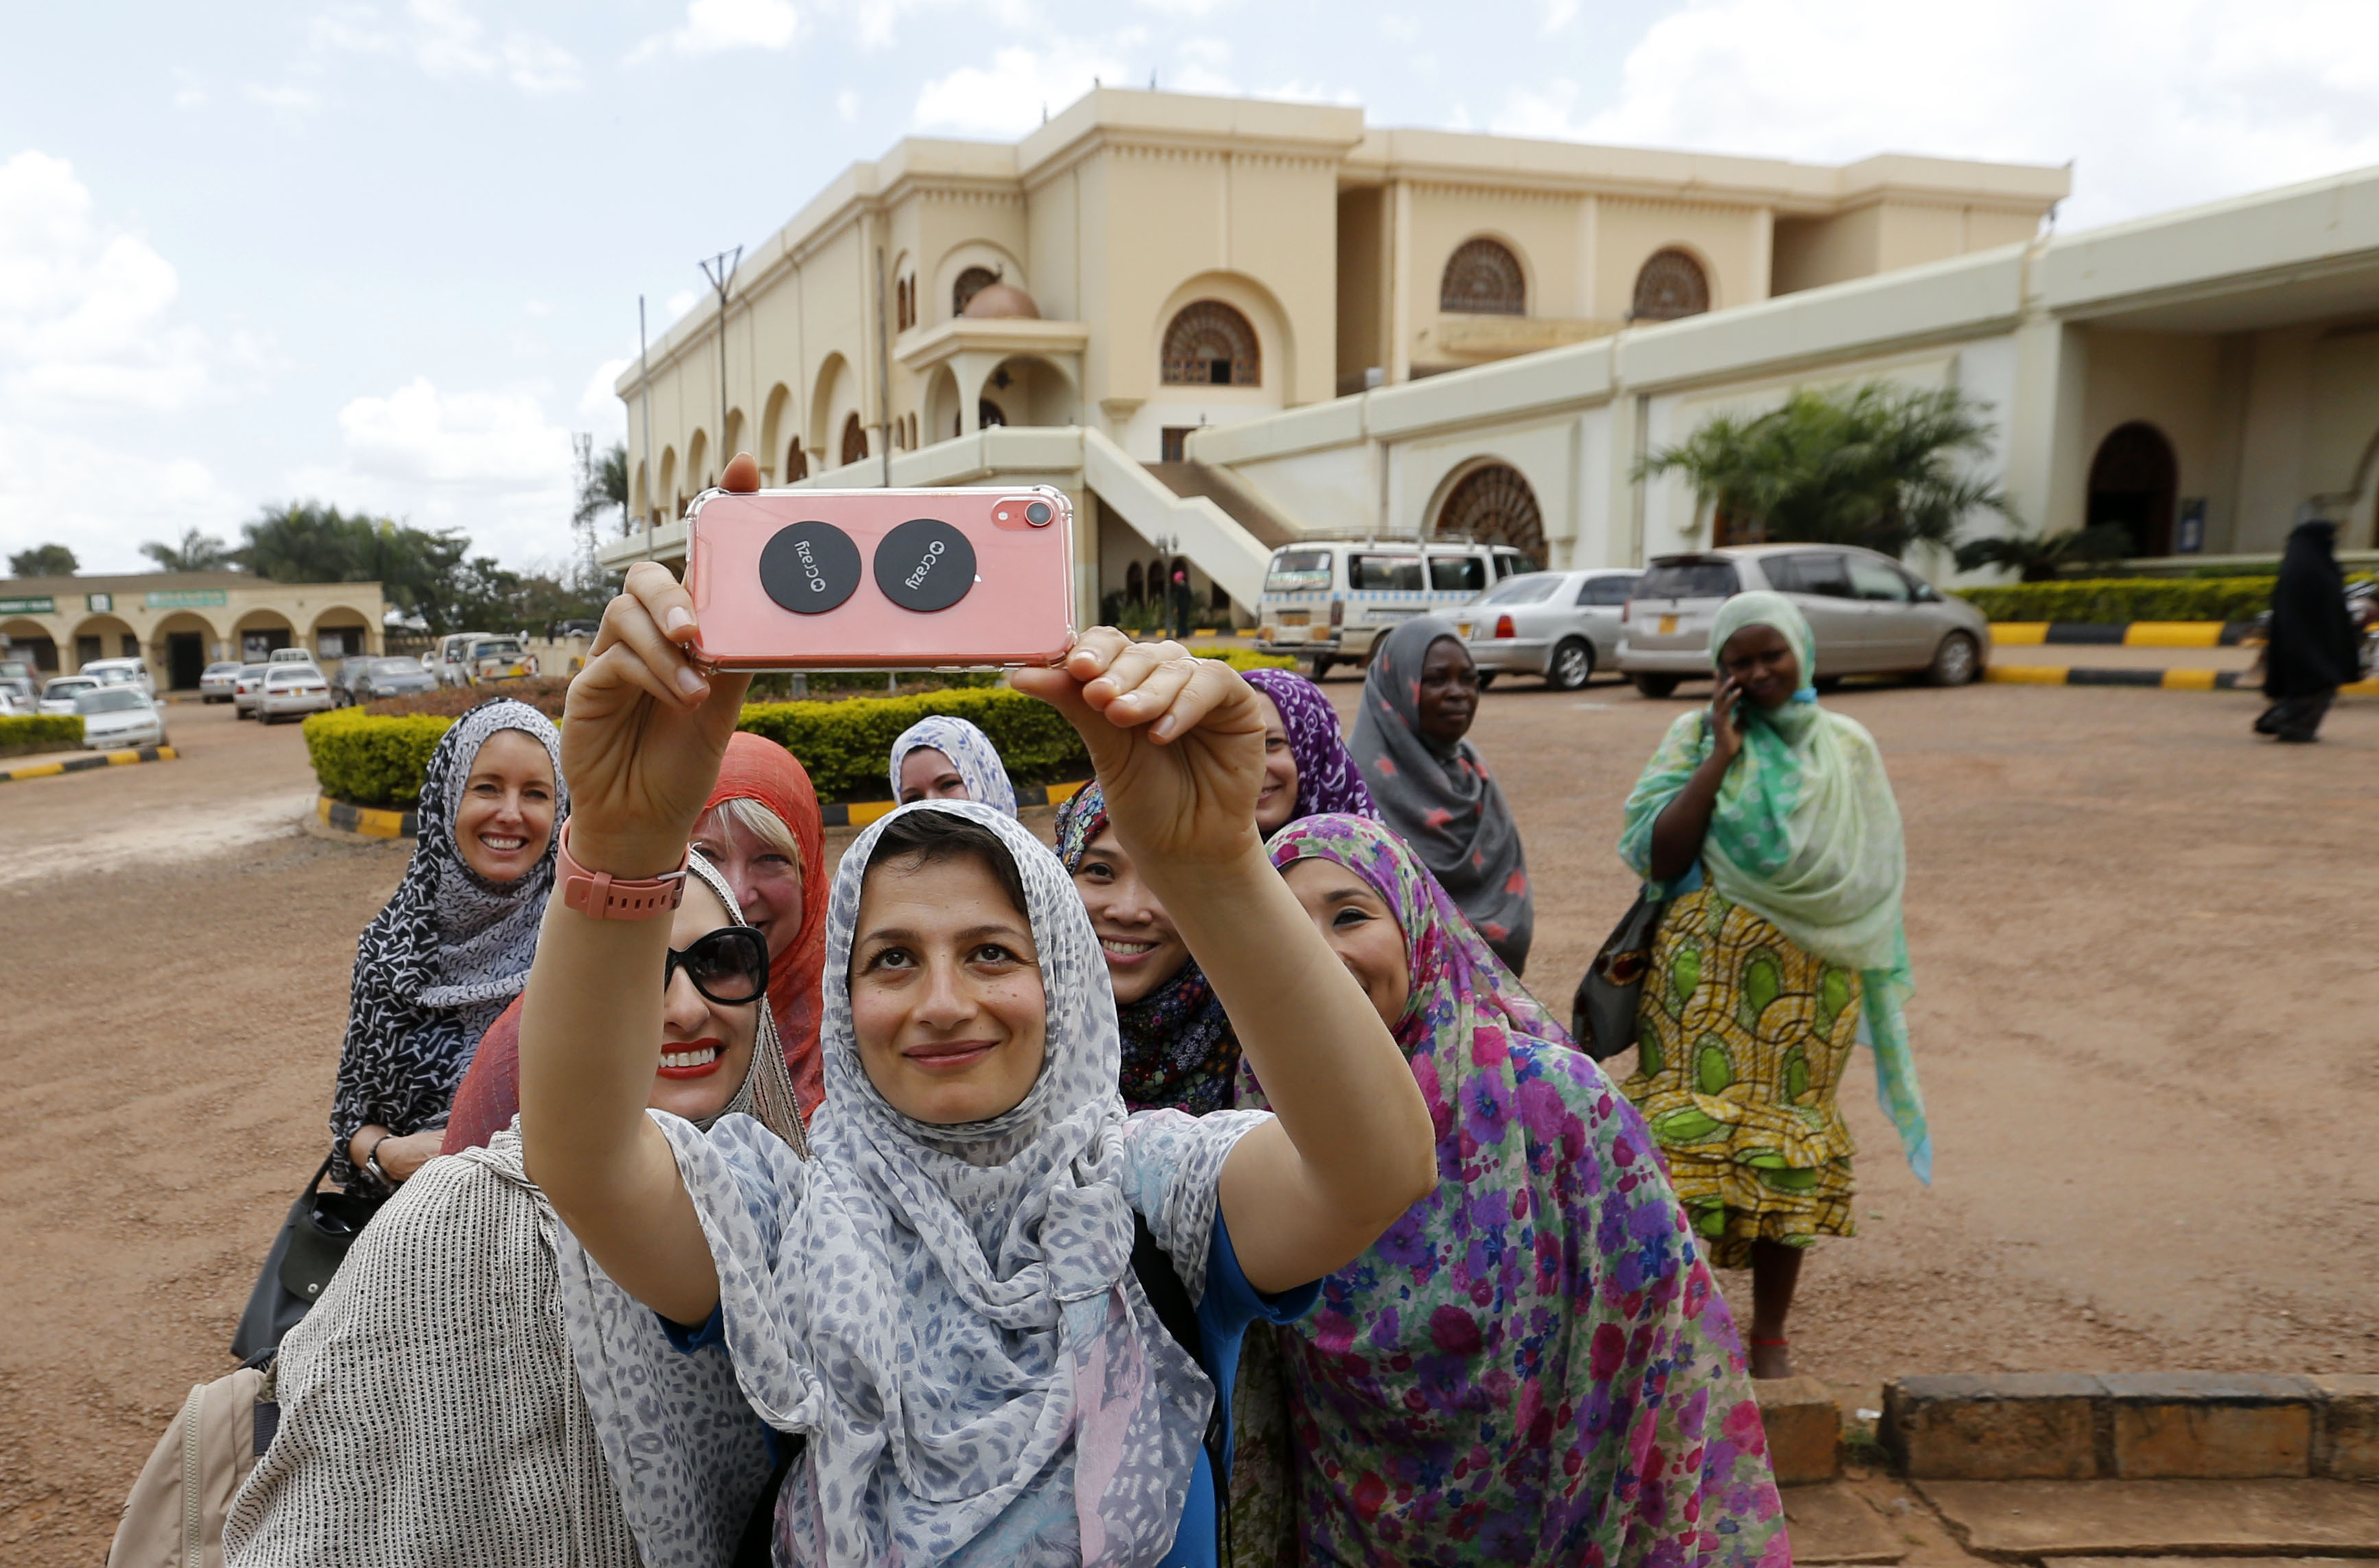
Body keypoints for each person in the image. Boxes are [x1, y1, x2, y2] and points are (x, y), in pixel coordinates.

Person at [513, 559, 1438, 1568]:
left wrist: (1214, 868)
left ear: (1066, 985)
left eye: (992, 954)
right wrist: (623, 836)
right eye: (893, 959)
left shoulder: (1143, 1195)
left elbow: (1373, 1169)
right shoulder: (783, 1217)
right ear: (842, 992)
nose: (942, 1003)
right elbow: (585, 1158)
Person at [1233, 813, 1784, 1565]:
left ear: (1417, 931)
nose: (1316, 953)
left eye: (1350, 914)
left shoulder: (1553, 1105)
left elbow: (1660, 1341)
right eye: (1284, 925)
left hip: (1556, 1525)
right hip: (1349, 1534)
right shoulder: (1250, 1122)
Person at [228, 852, 807, 1568]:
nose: (687, 1007)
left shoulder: (802, 1207)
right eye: (632, 970)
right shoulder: (449, 1222)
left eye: (720, 960)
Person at [1617, 592, 1930, 1381]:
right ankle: (1676, 1334)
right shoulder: (1693, 736)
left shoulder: (1847, 747)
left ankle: (1769, 1340)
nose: (1756, 672)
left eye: (1770, 655)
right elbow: (1658, 856)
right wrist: (1719, 757)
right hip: (1699, 988)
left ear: (1801, 654)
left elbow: (1872, 872)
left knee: (1787, 1146)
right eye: (1738, 660)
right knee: (1685, 1146)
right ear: (1717, 672)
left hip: (1811, 989)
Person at [441, 730, 831, 1149]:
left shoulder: (855, 1025)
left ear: (810, 872)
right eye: (704, 855)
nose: (735, 890)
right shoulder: (544, 1040)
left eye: (771, 858)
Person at [329, 699, 565, 1195]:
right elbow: (353, 1121)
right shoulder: (393, 953)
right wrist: (386, 1153)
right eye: (486, 787)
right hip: (419, 1239)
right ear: (447, 797)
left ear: (561, 808)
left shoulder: (583, 945)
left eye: (536, 793)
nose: (510, 813)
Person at [1348, 617, 1534, 974]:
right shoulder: (1356, 787)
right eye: (1436, 679)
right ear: (1396, 685)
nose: (1457, 692)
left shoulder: (1471, 771)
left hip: (1492, 1014)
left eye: (1468, 679)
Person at [1057, 782, 1240, 1115]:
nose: (1128, 911)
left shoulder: (1262, 1035)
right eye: (1100, 871)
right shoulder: (1009, 1022)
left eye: (1165, 877)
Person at [2256, 517, 2363, 743]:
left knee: (2308, 686)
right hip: (2314, 645)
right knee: (2317, 686)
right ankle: (2295, 727)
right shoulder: (2316, 567)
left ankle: (2290, 724)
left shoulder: (2297, 564)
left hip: (2295, 644)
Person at [1241, 666, 1376, 834]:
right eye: (1231, 750)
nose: (1252, 768)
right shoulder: (1204, 853)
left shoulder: (1366, 852)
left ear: (1318, 750)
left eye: (1272, 743)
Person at [889, 713, 1020, 812]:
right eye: (914, 798)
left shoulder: (1028, 848)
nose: (931, 805)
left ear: (985, 781)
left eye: (948, 784)